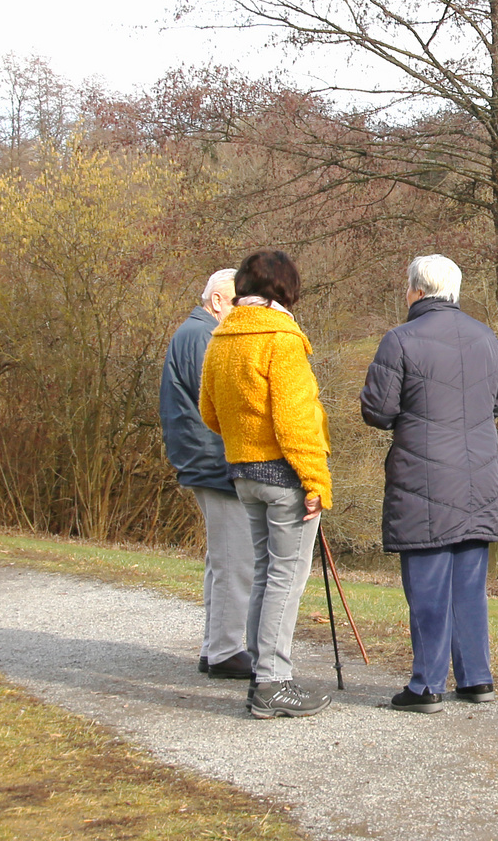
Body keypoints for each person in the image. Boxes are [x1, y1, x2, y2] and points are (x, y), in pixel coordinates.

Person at [360, 254, 498, 713]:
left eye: (407, 287)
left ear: (418, 291)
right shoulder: (487, 338)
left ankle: (426, 685)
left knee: (426, 583)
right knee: (469, 582)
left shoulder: (400, 340)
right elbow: (496, 401)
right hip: (478, 474)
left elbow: (377, 410)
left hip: (424, 477)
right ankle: (476, 678)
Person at [199, 249, 334, 719]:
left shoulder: (221, 336)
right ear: (285, 288)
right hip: (284, 475)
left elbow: (209, 412)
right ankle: (273, 682)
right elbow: (296, 421)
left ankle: (262, 675)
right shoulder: (282, 338)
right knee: (285, 579)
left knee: (264, 572)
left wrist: (245, 441)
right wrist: (315, 479)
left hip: (242, 473)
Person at [159, 268, 254, 680]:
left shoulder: (193, 332)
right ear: (218, 301)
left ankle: (214, 646)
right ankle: (227, 651)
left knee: (222, 559)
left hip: (204, 458)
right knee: (237, 561)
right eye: (236, 302)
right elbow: (221, 402)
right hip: (214, 461)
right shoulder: (203, 336)